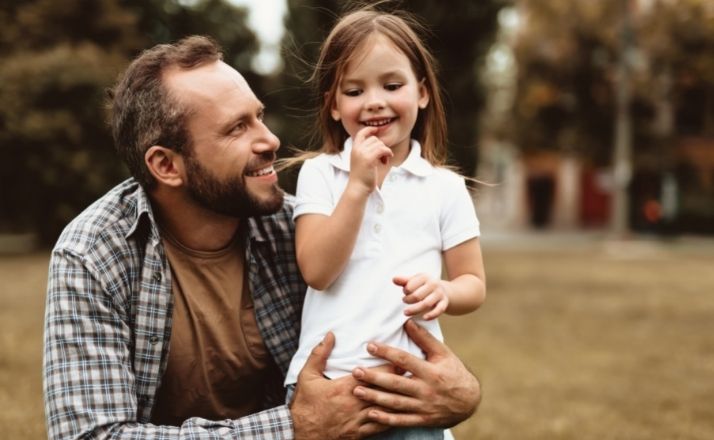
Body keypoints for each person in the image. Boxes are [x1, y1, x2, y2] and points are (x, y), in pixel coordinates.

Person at [42, 35, 481, 439]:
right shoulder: (93, 256)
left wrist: (463, 393)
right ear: (166, 165)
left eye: (260, 117)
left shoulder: (294, 227)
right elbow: (92, 435)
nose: (270, 140)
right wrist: (291, 428)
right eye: (237, 128)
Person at [283, 9, 487, 440]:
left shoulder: (445, 188)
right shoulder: (320, 175)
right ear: (334, 107)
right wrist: (357, 187)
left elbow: (473, 283)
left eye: (392, 86)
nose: (374, 101)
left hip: (410, 391)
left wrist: (445, 291)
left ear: (423, 94)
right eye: (354, 90)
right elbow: (317, 271)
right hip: (331, 386)